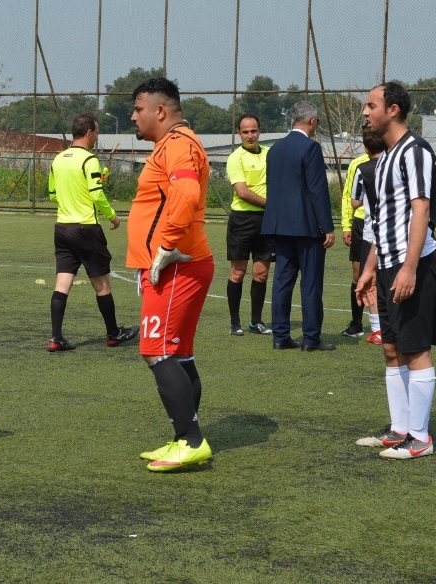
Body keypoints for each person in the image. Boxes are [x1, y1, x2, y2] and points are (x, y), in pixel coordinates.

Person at [126, 77, 214, 473]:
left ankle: (192, 440)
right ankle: (184, 438)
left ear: (159, 111)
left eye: (138, 109)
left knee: (156, 350)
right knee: (177, 353)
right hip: (181, 263)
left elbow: (187, 192)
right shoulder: (174, 143)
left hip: (177, 265)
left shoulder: (178, 143)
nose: (134, 117)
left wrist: (166, 245)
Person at [355, 82, 436, 460]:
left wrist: (409, 268)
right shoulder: (385, 159)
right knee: (392, 348)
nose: (365, 112)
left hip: (415, 265)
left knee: (415, 349)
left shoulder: (415, 150)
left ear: (393, 110)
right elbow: (382, 222)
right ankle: (400, 429)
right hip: (389, 265)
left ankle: (420, 439)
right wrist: (369, 270)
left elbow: (421, 210)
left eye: (371, 105)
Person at [46, 113, 138, 352]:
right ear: (88, 132)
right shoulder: (89, 160)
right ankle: (113, 334)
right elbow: (96, 195)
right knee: (102, 285)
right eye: (96, 131)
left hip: (62, 228)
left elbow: (53, 195)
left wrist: (74, 198)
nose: (97, 136)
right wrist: (113, 216)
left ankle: (56, 338)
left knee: (62, 283)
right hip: (86, 229)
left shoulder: (58, 159)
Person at [261, 101, 336, 352]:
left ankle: (280, 336)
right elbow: (317, 191)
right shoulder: (311, 148)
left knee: (282, 280)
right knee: (311, 283)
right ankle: (311, 338)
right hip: (307, 227)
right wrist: (327, 226)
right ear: (312, 121)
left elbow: (273, 187)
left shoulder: (274, 149)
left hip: (280, 225)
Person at [225, 113, 275, 336]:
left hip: (266, 221)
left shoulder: (270, 154)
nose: (250, 135)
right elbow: (242, 192)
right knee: (238, 272)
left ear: (260, 131)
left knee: (261, 273)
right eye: (245, 132)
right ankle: (235, 323)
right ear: (239, 134)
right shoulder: (235, 158)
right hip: (242, 220)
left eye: (253, 131)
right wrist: (271, 204)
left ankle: (256, 322)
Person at [351, 124, 387, 345]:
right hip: (395, 234)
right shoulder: (395, 164)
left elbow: (355, 202)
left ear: (365, 148)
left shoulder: (363, 169)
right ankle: (396, 325)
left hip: (371, 234)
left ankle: (377, 330)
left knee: (369, 282)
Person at [340, 140, 371, 339]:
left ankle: (386, 324)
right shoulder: (357, 164)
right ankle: (357, 323)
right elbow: (347, 197)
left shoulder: (392, 160)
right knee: (358, 273)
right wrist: (346, 225)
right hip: (360, 223)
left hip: (385, 222)